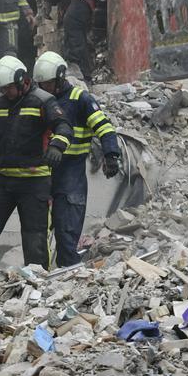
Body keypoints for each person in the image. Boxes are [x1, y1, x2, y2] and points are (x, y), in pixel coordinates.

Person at [0, 56, 72, 287]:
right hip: (3, 180)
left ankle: (38, 285)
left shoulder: (43, 101)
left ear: (23, 81)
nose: (5, 92)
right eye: (2, 88)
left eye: (9, 87)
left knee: (34, 236)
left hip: (35, 181)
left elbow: (63, 126)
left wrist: (57, 146)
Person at [33, 51, 121, 267]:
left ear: (60, 78)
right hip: (43, 171)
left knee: (67, 228)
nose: (43, 88)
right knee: (36, 230)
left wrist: (111, 155)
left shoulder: (80, 99)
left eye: (47, 83)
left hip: (71, 171)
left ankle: (68, 272)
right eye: (41, 84)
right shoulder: (40, 100)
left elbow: (104, 127)